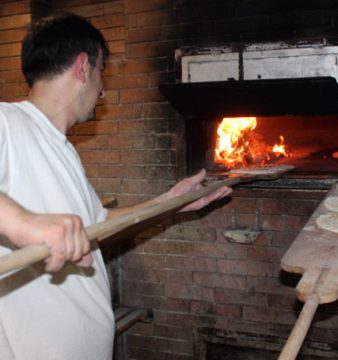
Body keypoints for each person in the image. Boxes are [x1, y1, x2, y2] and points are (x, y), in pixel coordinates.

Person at [0, 12, 232, 360]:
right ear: (83, 67)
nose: (103, 88)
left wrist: (169, 203)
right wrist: (23, 223)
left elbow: (99, 222)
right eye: (101, 71)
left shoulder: (62, 149)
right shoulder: (8, 122)